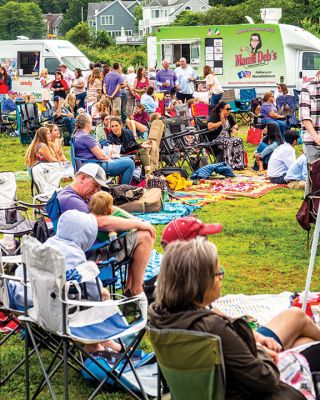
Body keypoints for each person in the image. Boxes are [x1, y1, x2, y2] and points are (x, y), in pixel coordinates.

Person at [149, 235, 320, 400]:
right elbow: (264, 382)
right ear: (200, 282)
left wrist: (255, 341)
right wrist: (260, 351)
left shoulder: (160, 316)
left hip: (209, 389)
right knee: (310, 348)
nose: (221, 278)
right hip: (246, 391)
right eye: (218, 273)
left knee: (301, 339)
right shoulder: (213, 329)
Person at [55, 163, 155, 296]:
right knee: (145, 236)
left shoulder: (77, 195)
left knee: (141, 231)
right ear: (82, 178)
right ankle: (136, 289)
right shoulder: (71, 200)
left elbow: (110, 208)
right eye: (95, 185)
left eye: (98, 187)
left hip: (92, 246)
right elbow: (101, 223)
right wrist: (139, 224)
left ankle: (131, 289)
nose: (96, 191)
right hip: (91, 255)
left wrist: (137, 221)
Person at [73, 113, 135, 184]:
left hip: (89, 163)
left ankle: (120, 187)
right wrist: (112, 161)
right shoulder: (85, 137)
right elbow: (101, 156)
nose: (92, 123)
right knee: (130, 163)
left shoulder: (78, 134)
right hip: (95, 166)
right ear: (87, 123)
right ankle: (123, 190)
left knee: (127, 159)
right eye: (91, 122)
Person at [207, 101, 244, 169]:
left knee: (239, 140)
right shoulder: (215, 115)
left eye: (230, 109)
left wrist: (234, 128)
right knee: (228, 142)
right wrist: (221, 121)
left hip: (226, 137)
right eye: (227, 109)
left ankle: (238, 164)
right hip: (215, 139)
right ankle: (228, 164)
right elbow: (209, 126)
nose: (229, 111)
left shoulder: (229, 116)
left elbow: (235, 124)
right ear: (221, 109)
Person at [300, 71, 320, 195]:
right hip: (312, 142)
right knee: (313, 178)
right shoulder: (307, 88)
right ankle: (308, 212)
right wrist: (317, 138)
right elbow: (305, 118)